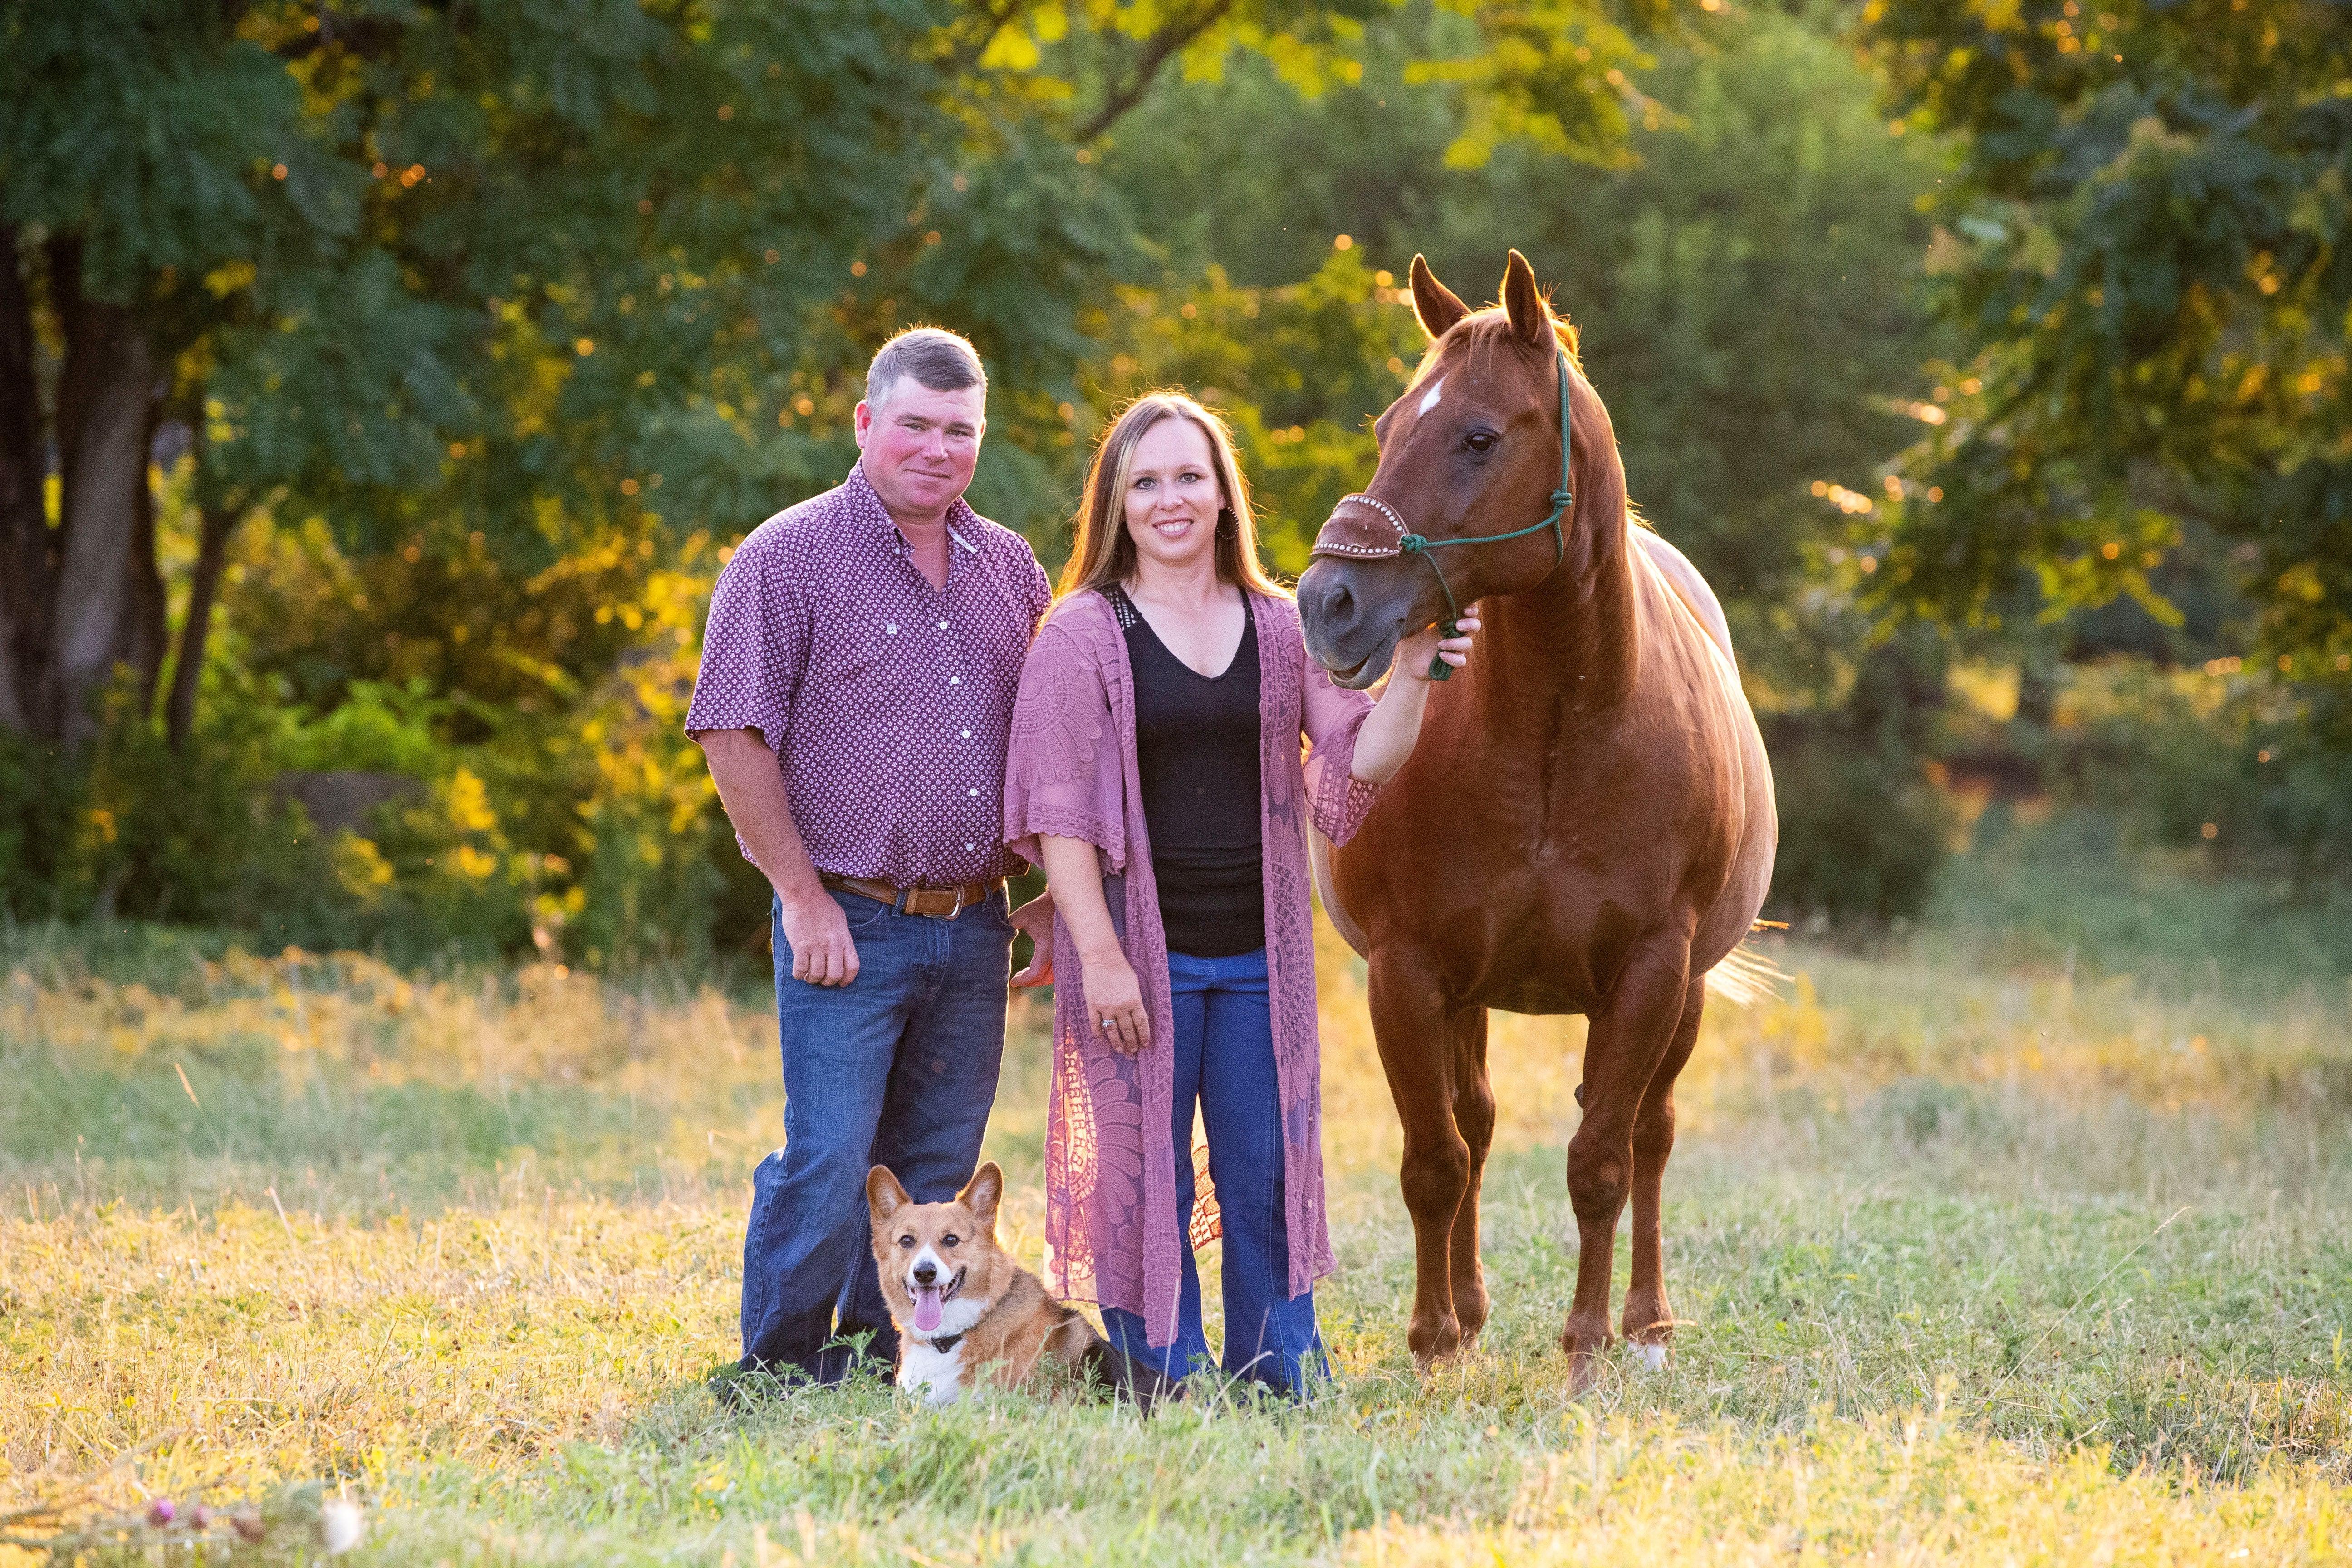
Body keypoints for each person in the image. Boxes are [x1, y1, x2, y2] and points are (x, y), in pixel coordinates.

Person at [1001, 392, 1475, 1395]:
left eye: (1190, 476)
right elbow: (1060, 818)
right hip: (1138, 956)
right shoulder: (1082, 634)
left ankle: (1279, 1372)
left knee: (1265, 1176)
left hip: (1262, 962)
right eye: (1146, 482)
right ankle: (1159, 1374)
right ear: (1115, 503)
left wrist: (1414, 672)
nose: (1171, 500)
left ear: (1225, 494)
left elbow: (1363, 763)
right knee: (1148, 1181)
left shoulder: (1279, 623)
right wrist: (1102, 960)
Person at [687, 326, 1055, 1387]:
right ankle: (778, 1366)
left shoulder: (1010, 567)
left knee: (933, 1175)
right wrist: (801, 899)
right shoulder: (787, 557)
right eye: (916, 425)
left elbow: (1051, 737)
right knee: (833, 1157)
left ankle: (873, 1353)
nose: (937, 448)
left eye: (961, 431)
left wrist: (1048, 899)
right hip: (847, 914)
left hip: (976, 922)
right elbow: (731, 733)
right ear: (866, 424)